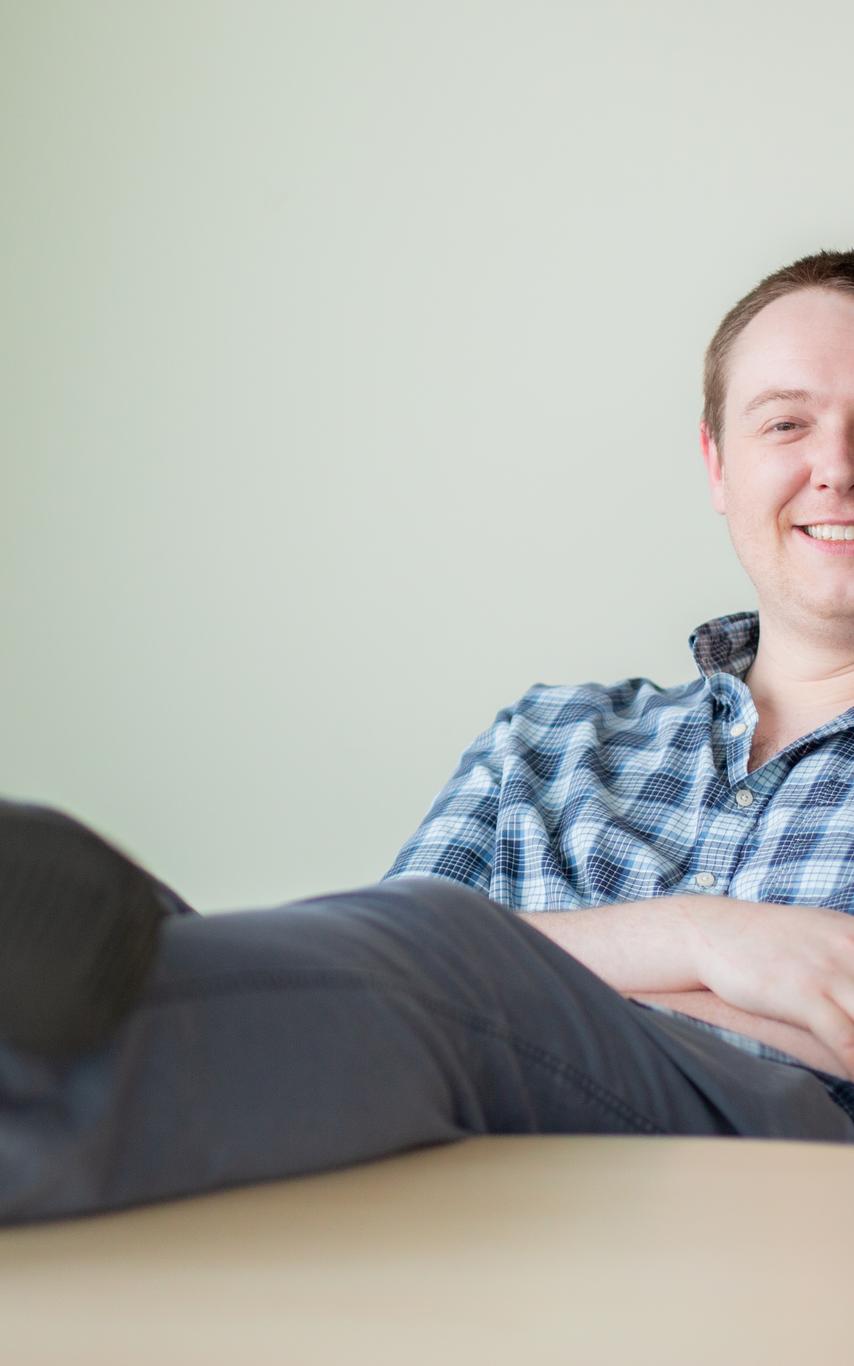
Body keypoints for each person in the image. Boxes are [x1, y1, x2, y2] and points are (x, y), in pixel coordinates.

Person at [3, 248, 854, 1229]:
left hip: (768, 1185)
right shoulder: (549, 738)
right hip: (450, 1179)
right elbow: (355, 973)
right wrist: (699, 939)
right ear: (716, 464)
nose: (833, 466)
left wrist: (530, 975)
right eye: (786, 424)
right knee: (178, 972)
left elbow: (432, 973)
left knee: (428, 967)